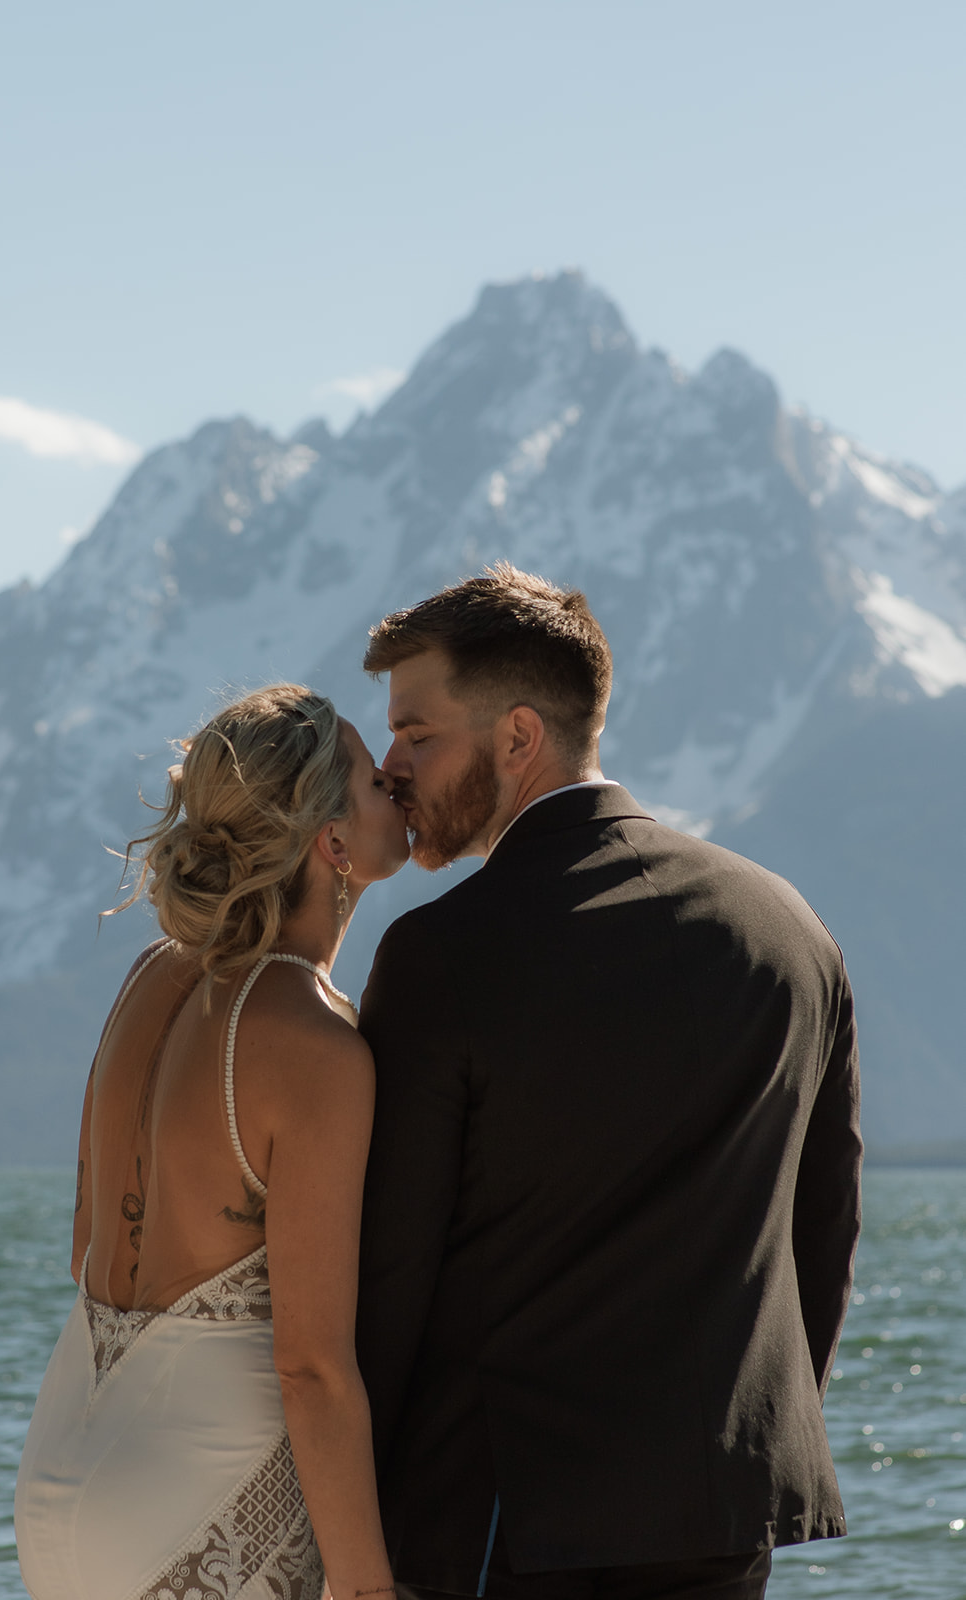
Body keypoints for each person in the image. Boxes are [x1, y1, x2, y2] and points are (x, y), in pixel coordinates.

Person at [355, 565, 863, 1600]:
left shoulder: (442, 954)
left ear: (517, 738)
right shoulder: (791, 931)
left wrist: (358, 1524)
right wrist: (738, 1444)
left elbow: (389, 1274)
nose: (389, 766)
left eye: (417, 732)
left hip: (507, 1520)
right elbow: (822, 1231)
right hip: (723, 1514)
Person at [15, 684, 409, 1600]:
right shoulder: (314, 1044)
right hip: (191, 1499)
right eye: (368, 778)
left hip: (58, 1471)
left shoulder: (150, 976)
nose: (395, 781)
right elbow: (311, 1368)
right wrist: (364, 1586)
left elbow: (87, 1241)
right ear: (333, 844)